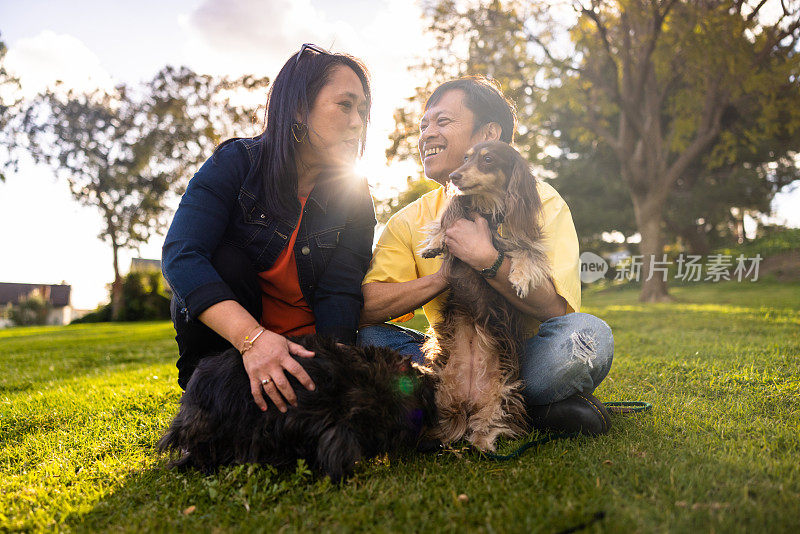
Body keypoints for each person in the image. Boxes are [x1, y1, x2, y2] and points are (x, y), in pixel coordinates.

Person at [358, 76, 614, 435]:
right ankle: (539, 409)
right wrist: (446, 274)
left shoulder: (543, 202)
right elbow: (367, 308)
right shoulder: (408, 220)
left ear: (489, 135)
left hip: (523, 354)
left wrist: (488, 260)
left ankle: (465, 406)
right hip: (450, 356)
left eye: (443, 121)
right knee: (366, 341)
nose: (427, 134)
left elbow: (557, 310)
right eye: (424, 125)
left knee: (588, 336)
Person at [162, 44, 377, 415]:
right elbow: (181, 255)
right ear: (297, 107)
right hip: (235, 343)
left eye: (362, 109)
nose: (358, 121)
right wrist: (254, 340)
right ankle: (209, 395)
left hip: (304, 347)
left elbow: (339, 292)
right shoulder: (236, 163)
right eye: (345, 105)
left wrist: (336, 370)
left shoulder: (355, 196)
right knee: (223, 260)